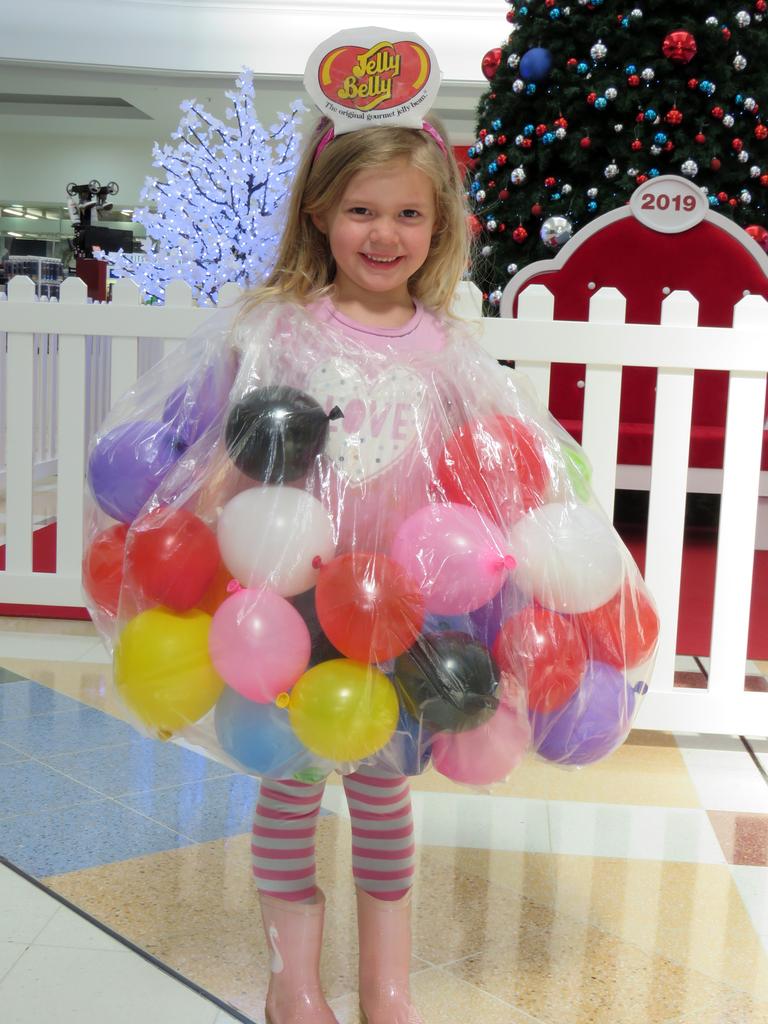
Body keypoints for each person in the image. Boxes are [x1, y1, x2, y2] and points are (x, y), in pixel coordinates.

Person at [237, 111, 470, 1024]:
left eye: (409, 215)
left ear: (439, 226)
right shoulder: (283, 331)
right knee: (289, 782)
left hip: (399, 608)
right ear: (320, 215)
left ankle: (387, 984)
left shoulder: (449, 350)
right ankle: (290, 981)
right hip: (291, 599)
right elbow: (239, 454)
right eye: (362, 211)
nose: (384, 235)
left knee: (381, 789)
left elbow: (468, 472)